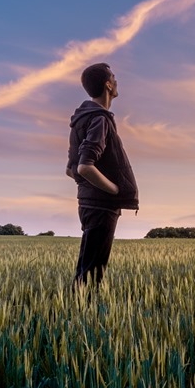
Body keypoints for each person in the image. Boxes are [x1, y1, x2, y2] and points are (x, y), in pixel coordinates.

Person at [66, 63, 139, 290]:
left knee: (87, 268)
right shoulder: (100, 119)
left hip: (88, 203)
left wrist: (88, 189)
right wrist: (114, 190)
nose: (117, 82)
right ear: (108, 85)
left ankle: (76, 313)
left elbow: (70, 168)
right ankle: (82, 318)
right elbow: (84, 167)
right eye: (114, 78)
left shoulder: (81, 119)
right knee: (93, 274)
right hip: (101, 205)